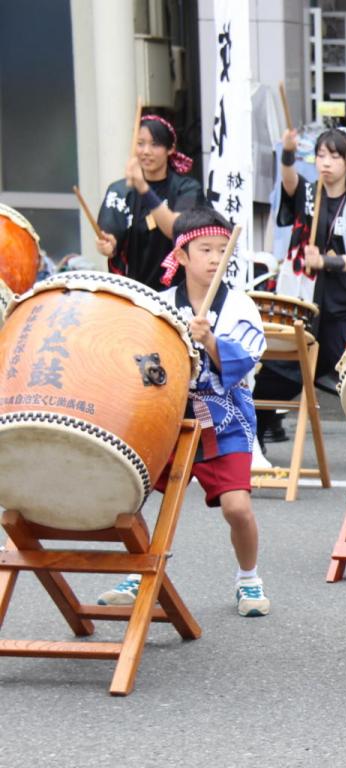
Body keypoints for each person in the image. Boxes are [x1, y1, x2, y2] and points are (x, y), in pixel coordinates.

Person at [98, 207, 271, 617]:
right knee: (134, 496)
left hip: (224, 417)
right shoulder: (159, 305)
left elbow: (246, 361)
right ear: (182, 255)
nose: (214, 258)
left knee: (237, 508)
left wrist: (210, 341)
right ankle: (137, 571)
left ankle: (249, 579)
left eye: (221, 250)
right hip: (170, 416)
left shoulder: (241, 307)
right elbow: (141, 361)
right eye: (205, 249)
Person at [255, 127, 346, 444]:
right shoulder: (308, 197)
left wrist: (327, 262)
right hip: (303, 308)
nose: (326, 162)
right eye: (320, 155)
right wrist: (287, 154)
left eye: (334, 156)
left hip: (345, 311)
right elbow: (289, 181)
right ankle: (259, 434)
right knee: (273, 370)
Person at [96, 115, 203, 289]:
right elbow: (110, 238)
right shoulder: (120, 191)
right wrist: (107, 245)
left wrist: (143, 188)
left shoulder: (187, 188)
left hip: (178, 291)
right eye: (140, 143)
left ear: (170, 149)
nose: (146, 151)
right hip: (132, 293)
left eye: (155, 144)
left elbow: (176, 230)